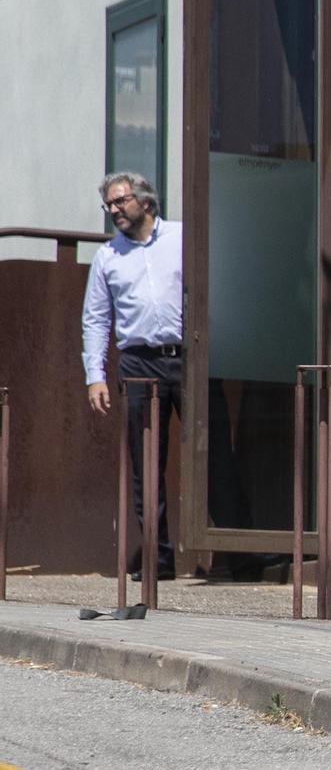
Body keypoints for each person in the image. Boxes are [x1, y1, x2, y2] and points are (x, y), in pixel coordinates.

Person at [82, 173, 186, 581]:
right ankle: (158, 558)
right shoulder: (108, 257)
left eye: (120, 201)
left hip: (188, 358)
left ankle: (235, 551)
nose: (114, 210)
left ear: (146, 201)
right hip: (138, 364)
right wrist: (96, 375)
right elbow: (95, 320)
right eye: (109, 205)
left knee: (212, 455)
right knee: (146, 463)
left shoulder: (181, 237)